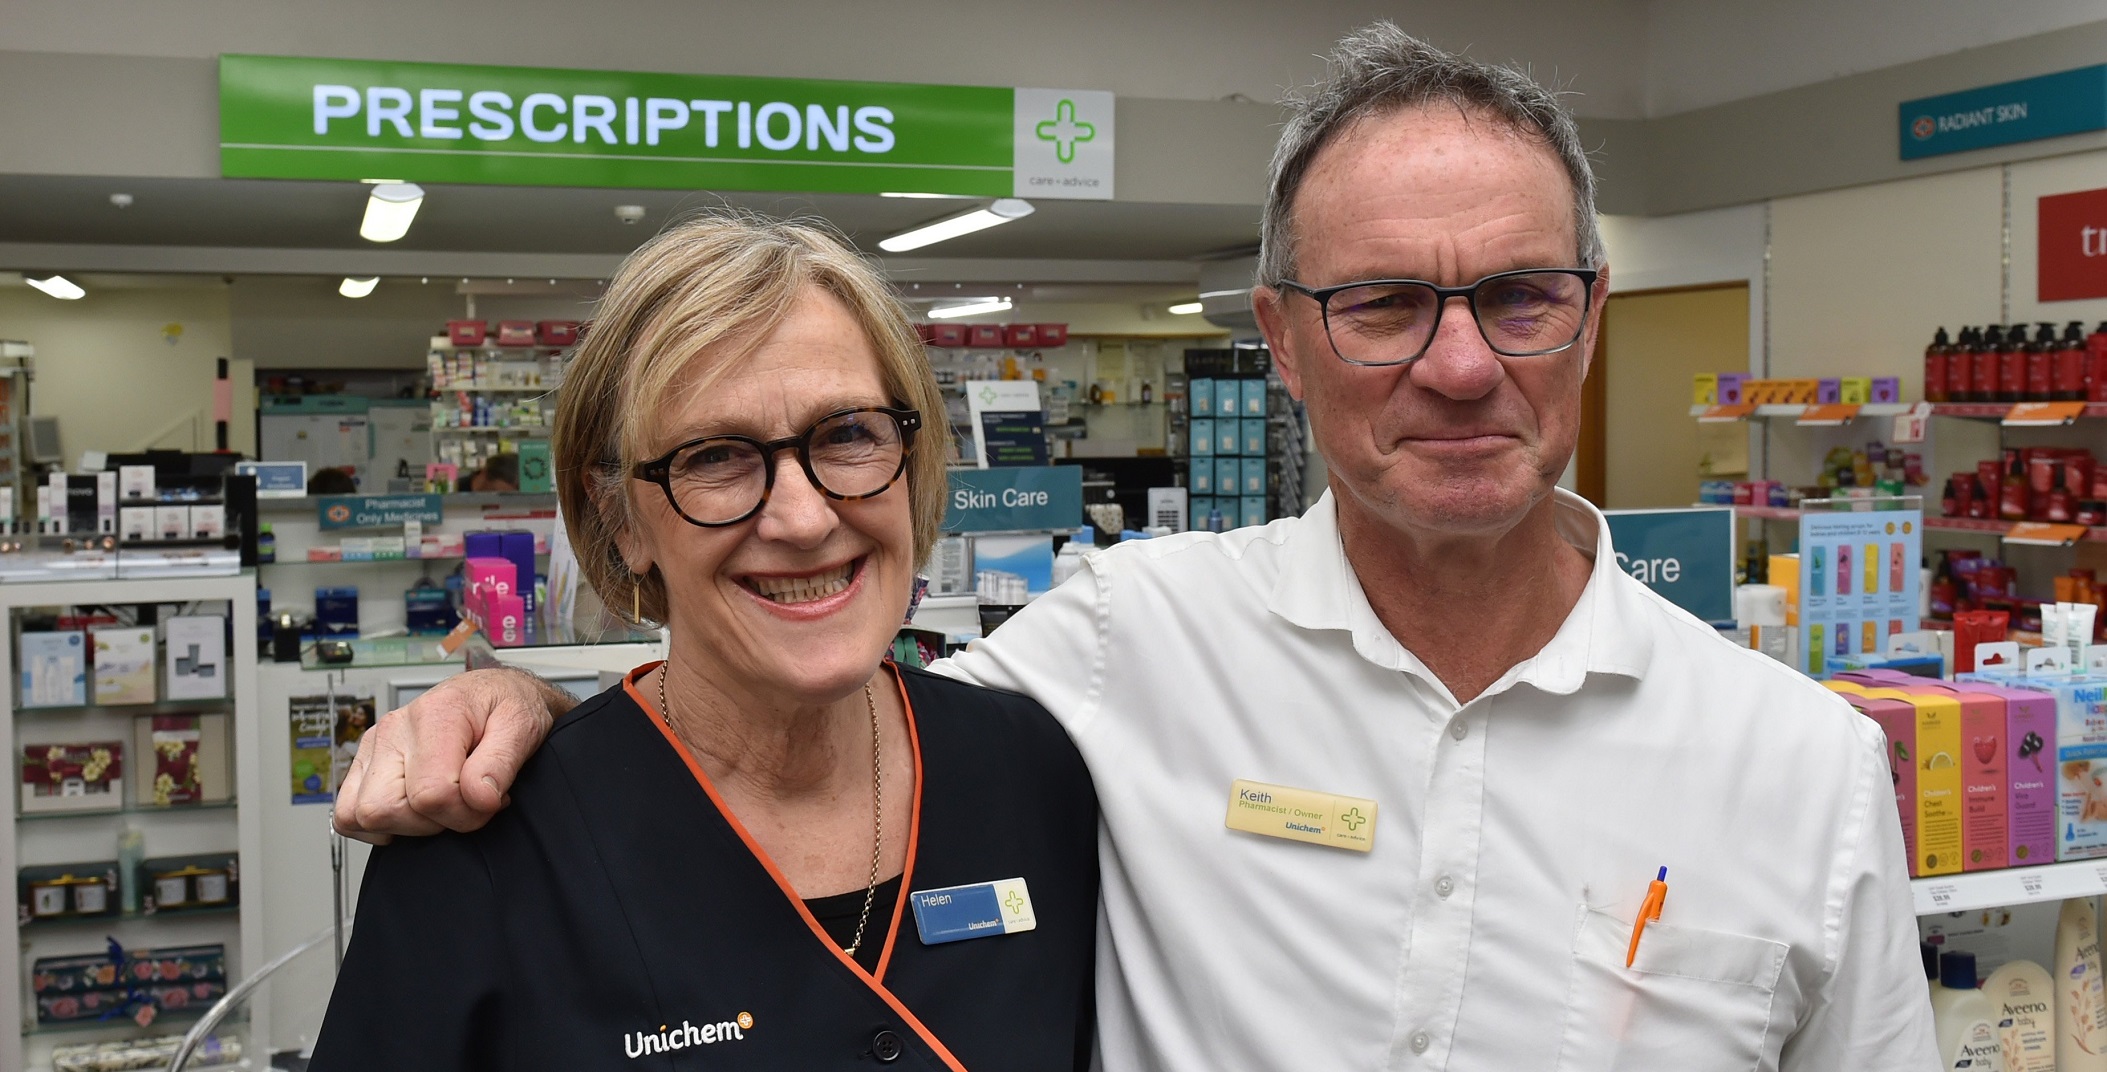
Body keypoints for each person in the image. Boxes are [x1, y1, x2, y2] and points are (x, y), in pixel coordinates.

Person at [336, 24, 1937, 1071]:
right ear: (1281, 344)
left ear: (1587, 319)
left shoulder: (1795, 771)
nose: (1459, 365)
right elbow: (769, 696)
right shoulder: (1125, 651)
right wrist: (533, 722)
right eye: (1379, 303)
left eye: (1516, 294)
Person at [309, 214, 1097, 1070]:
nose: (803, 519)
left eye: (847, 435)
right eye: (717, 456)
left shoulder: (1038, 775)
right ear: (619, 518)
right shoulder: (482, 852)